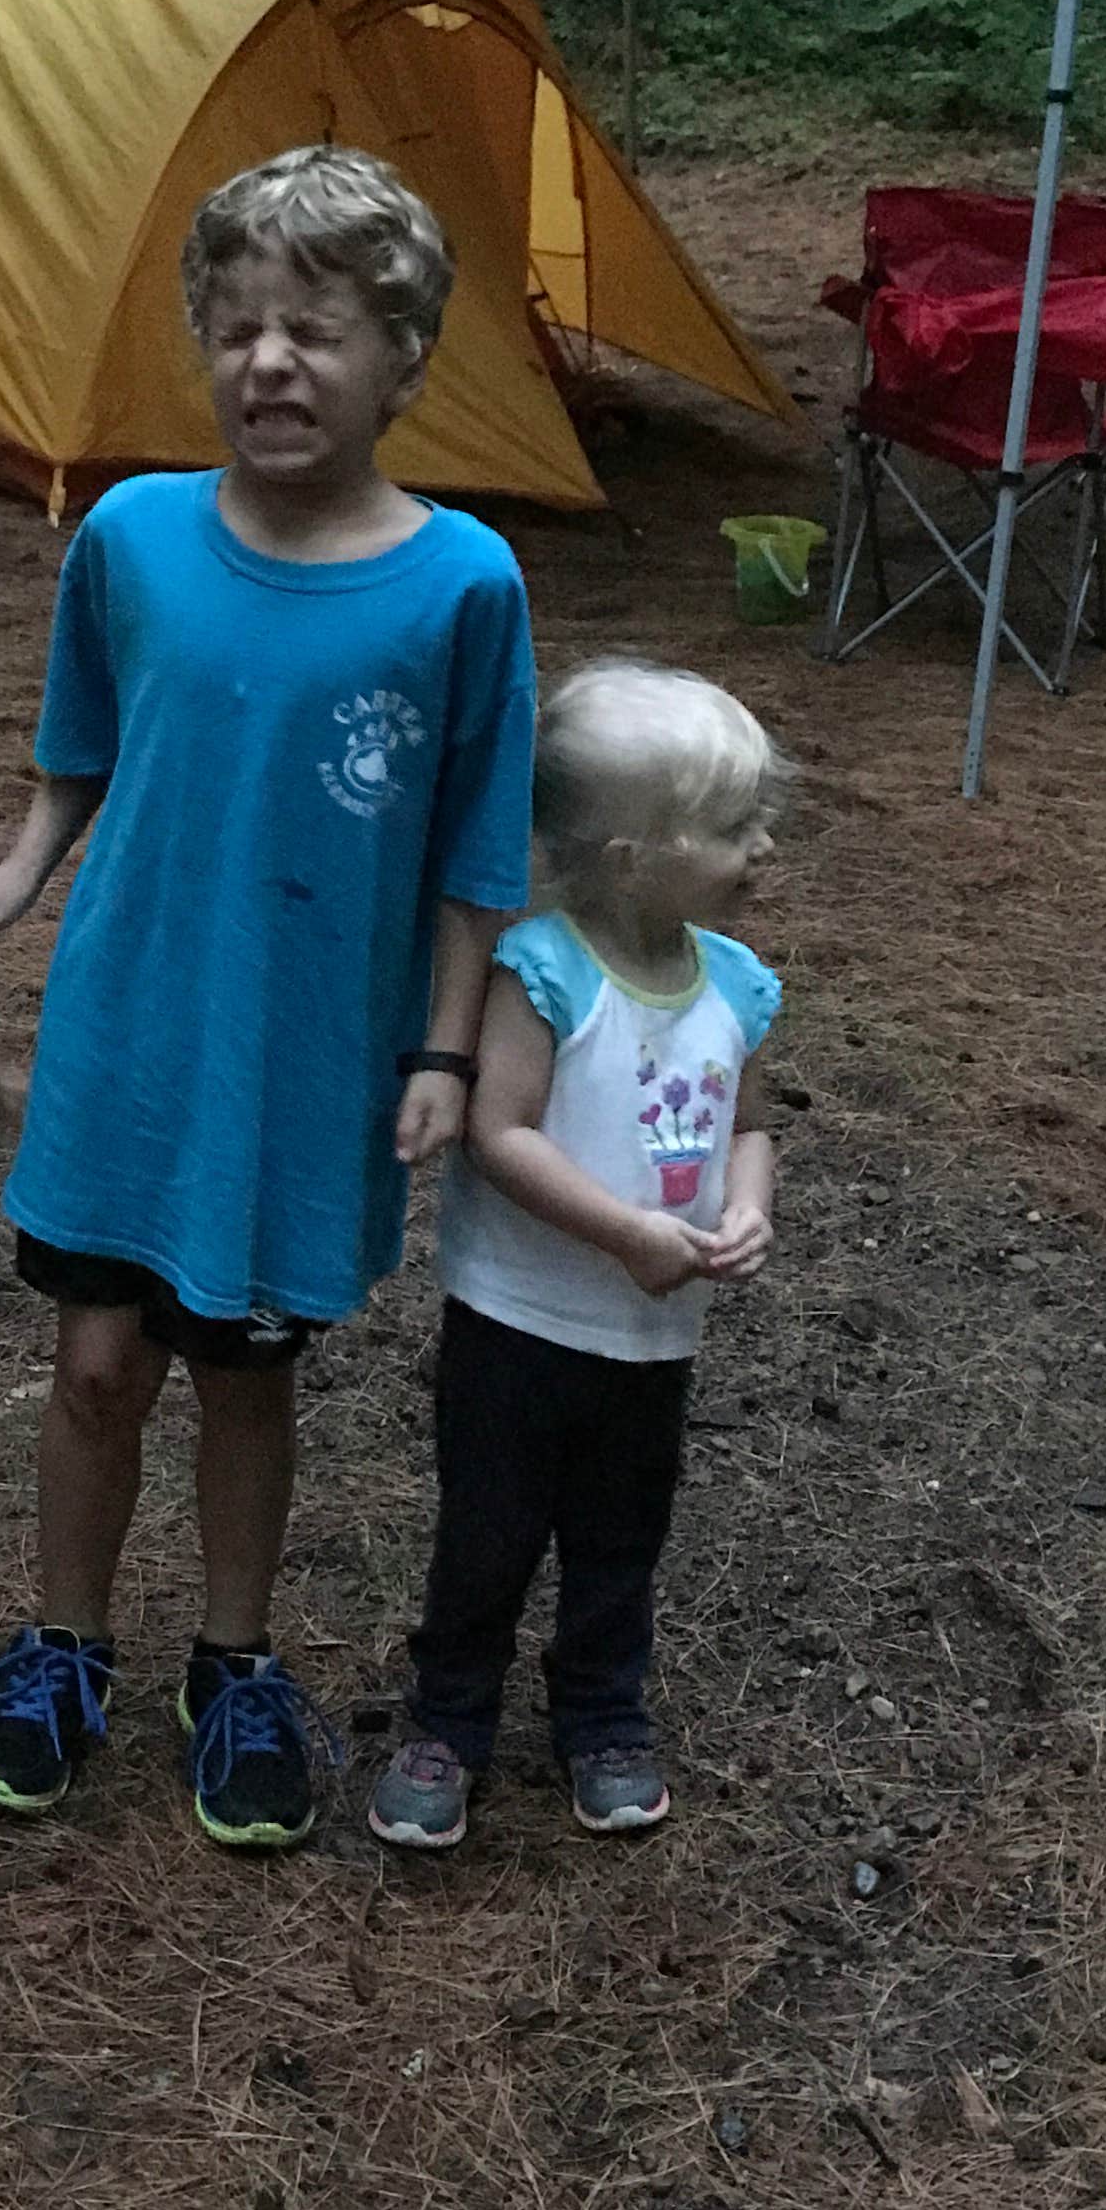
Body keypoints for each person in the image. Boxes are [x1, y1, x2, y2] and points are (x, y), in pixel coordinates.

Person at [0, 146, 536, 1851]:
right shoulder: (128, 536)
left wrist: (440, 1042)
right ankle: (62, 1648)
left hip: (300, 1057)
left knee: (248, 1377)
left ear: (400, 357)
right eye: (240, 325)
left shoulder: (460, 584)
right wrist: (13, 873)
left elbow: (480, 848)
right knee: (97, 1361)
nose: (271, 361)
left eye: (318, 329)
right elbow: (84, 753)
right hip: (131, 1035)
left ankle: (233, 1660)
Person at [368, 659, 786, 1849]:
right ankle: (448, 1720)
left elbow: (749, 1123)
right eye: (731, 827)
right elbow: (498, 1136)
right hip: (520, 1320)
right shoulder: (544, 972)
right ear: (630, 857)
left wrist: (746, 1206)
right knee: (489, 1531)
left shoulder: (740, 988)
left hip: (655, 1336)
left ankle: (604, 1716)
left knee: (623, 1534)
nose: (762, 846)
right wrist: (624, 1232)